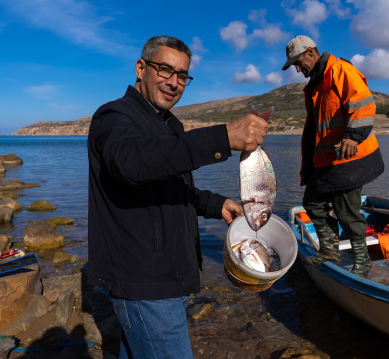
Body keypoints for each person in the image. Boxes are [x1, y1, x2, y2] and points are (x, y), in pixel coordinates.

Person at [87, 35, 268, 359]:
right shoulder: (115, 118)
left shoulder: (169, 125)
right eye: (164, 70)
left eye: (182, 75)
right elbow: (132, 163)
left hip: (168, 276)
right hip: (144, 281)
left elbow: (164, 185)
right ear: (141, 68)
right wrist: (223, 138)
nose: (174, 82)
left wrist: (214, 204)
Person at [282, 35, 384, 277]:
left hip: (349, 159)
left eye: (297, 63)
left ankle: (363, 259)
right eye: (294, 66)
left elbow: (365, 103)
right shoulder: (317, 83)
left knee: (347, 212)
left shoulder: (340, 70)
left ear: (310, 52)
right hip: (328, 161)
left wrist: (353, 136)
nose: (297, 69)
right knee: (313, 204)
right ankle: (330, 250)